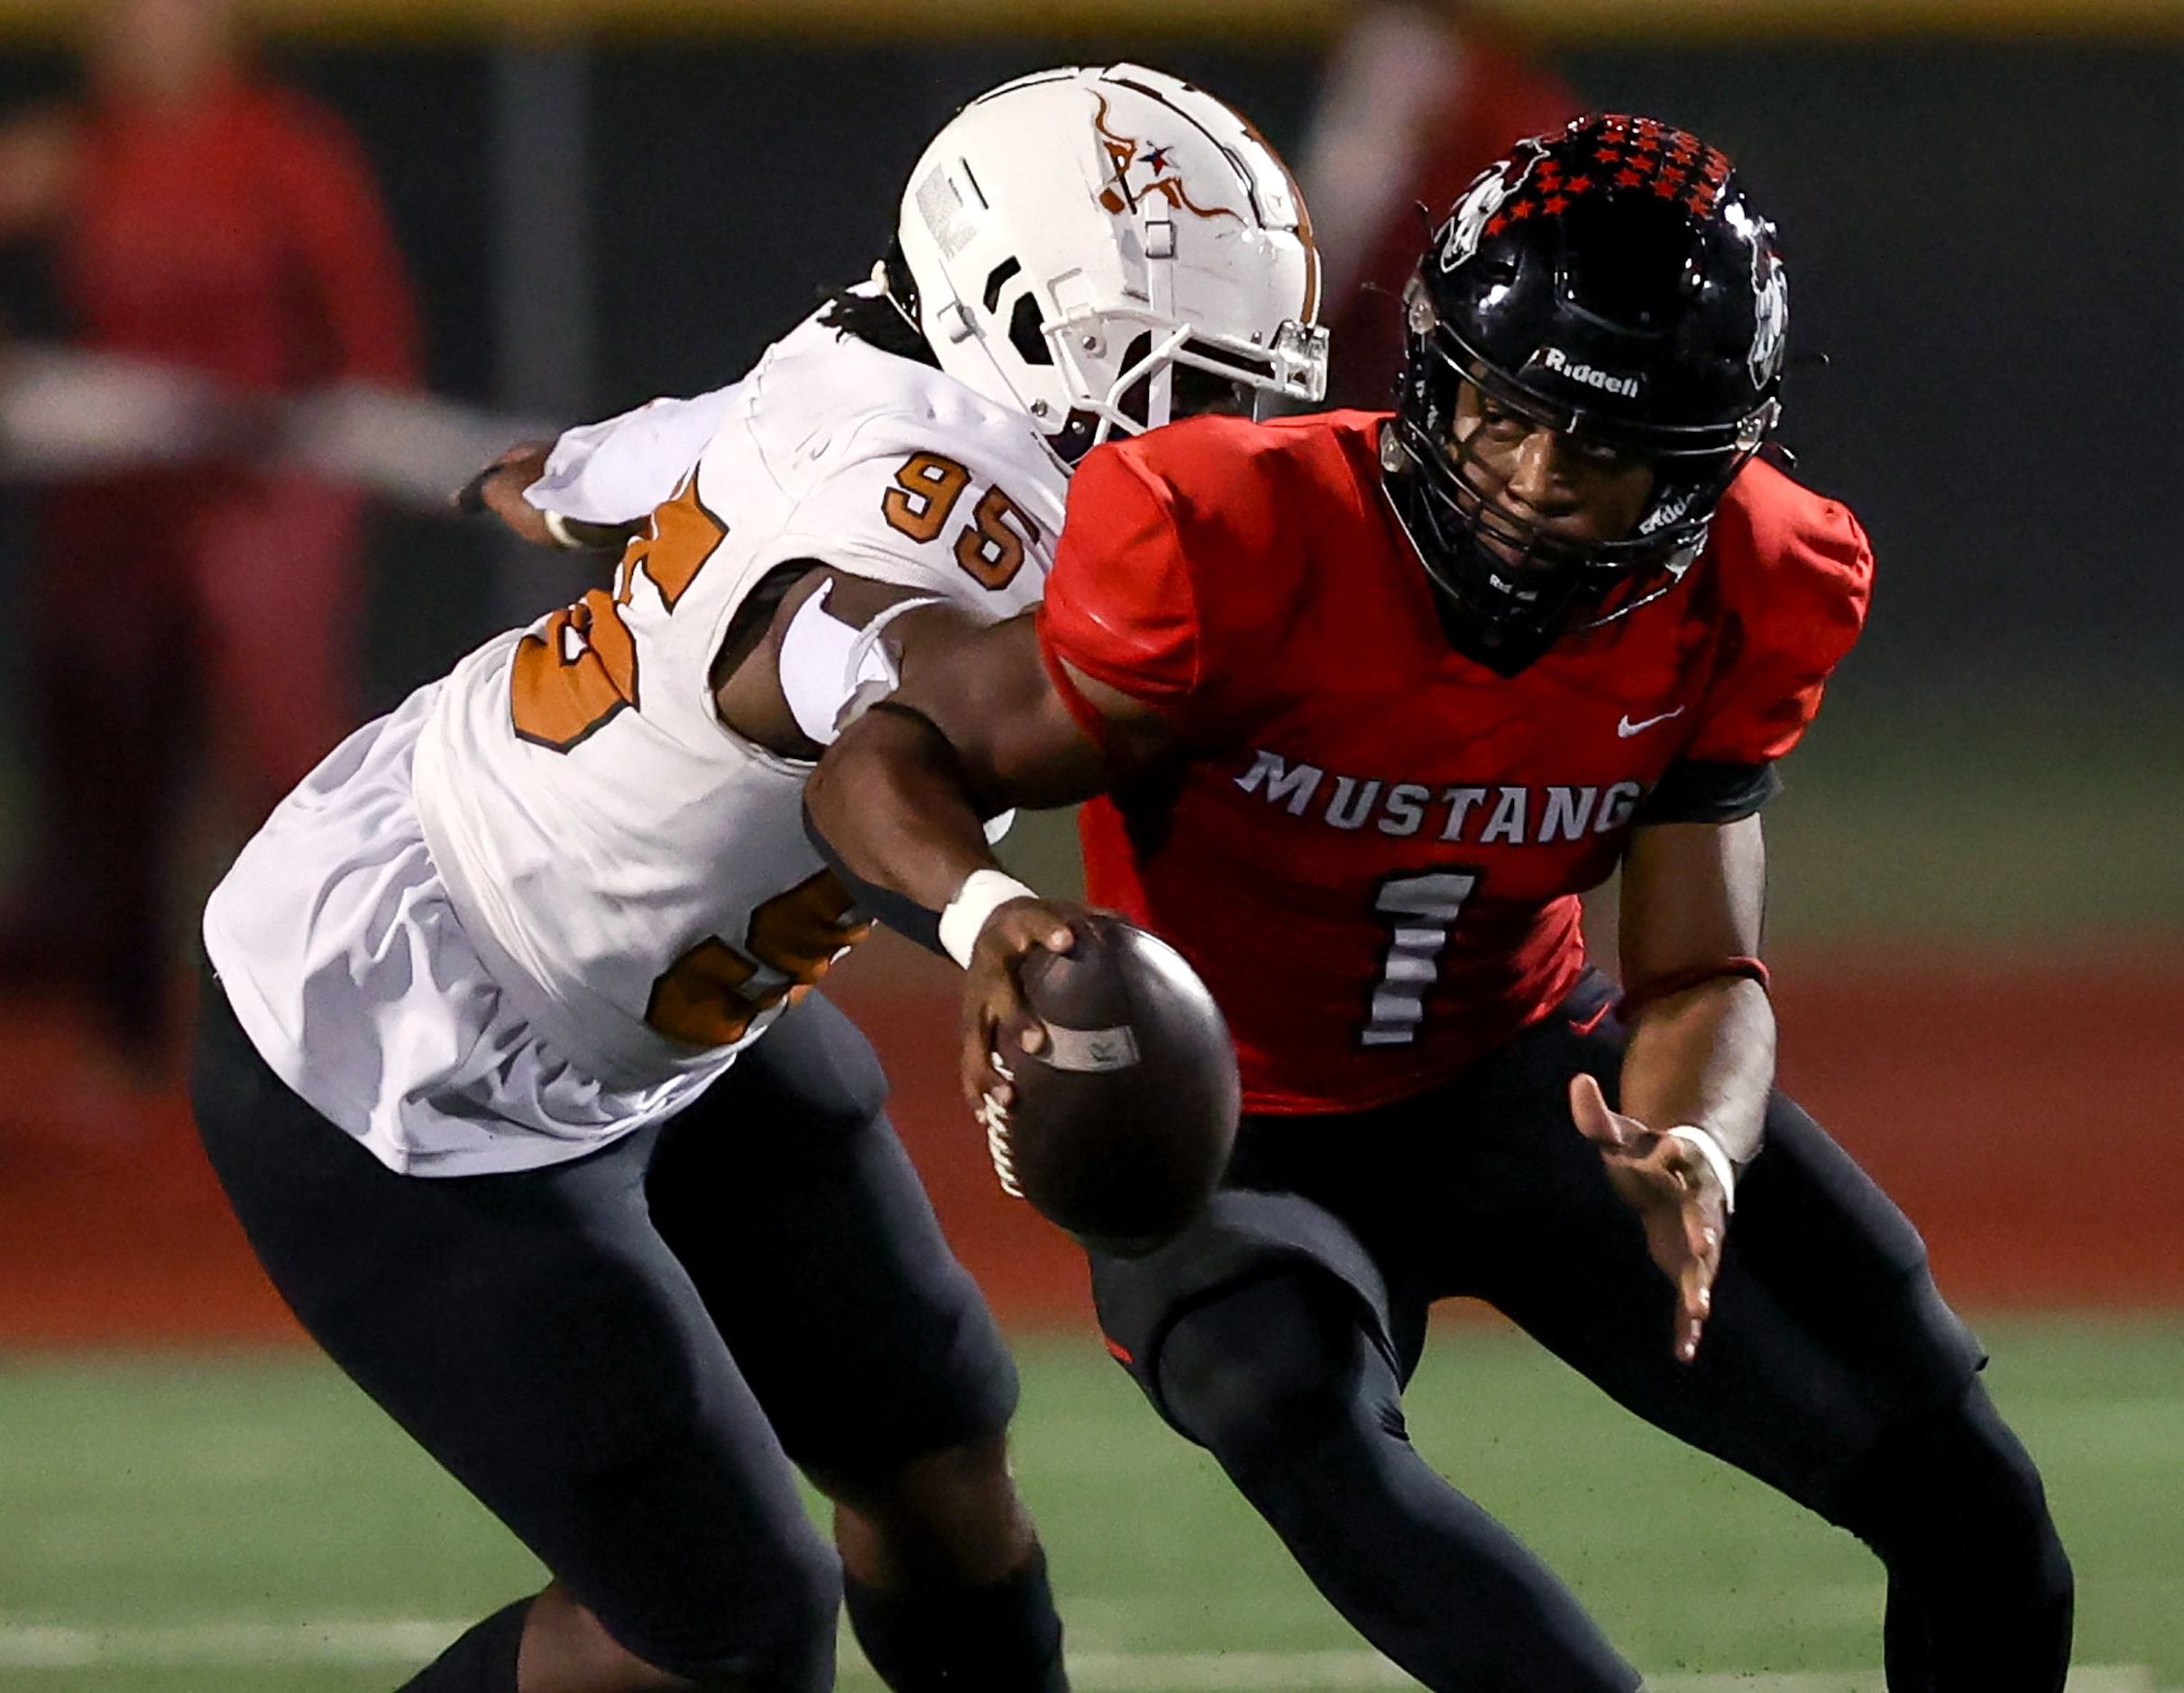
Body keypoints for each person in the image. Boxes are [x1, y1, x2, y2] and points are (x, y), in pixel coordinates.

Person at [803, 114, 2075, 1692]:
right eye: (1503, 415)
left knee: (1970, 1498)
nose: (1536, 481)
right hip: (1231, 1120)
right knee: (1286, 1402)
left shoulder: (1750, 578)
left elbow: (1694, 975)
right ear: (1434, 372)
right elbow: (882, 755)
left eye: (1600, 451)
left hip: (1526, 1074)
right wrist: (988, 911)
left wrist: (1693, 1143)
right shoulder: (1233, 535)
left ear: (1696, 467)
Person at [189, 63, 1323, 1693]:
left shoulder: (869, 345)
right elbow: (868, 715)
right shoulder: (943, 527)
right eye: (1194, 386)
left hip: (648, 988)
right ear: (1016, 324)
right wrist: (986, 909)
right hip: (408, 1042)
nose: (1230, 441)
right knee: (724, 1638)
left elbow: (669, 455)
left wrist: (556, 481)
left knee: (936, 1457)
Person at [0, 0, 418, 1070]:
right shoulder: (87, 150)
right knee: (108, 743)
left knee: (285, 761)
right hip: (115, 509)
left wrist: (325, 475)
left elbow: (364, 337)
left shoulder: (282, 148)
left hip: (255, 502)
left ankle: (335, 1017)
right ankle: (126, 1021)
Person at [1297, 0, 1577, 409]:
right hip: (1509, 378)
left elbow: (1330, 243)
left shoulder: (1402, 55)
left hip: (1426, 371)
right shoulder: (1513, 88)